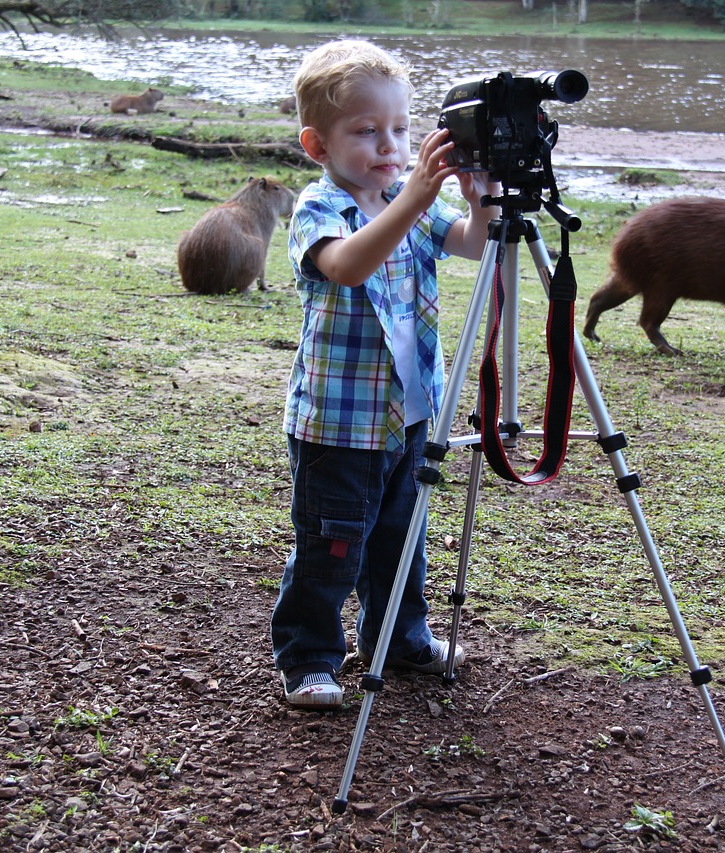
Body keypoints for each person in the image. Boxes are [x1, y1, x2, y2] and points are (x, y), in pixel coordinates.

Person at [271, 39, 499, 709]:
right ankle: (310, 656)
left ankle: (398, 636)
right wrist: (416, 196)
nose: (388, 145)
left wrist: (478, 195)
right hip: (339, 423)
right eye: (365, 131)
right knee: (331, 547)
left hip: (411, 414)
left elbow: (475, 243)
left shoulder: (413, 199)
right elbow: (348, 265)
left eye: (400, 129)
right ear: (318, 145)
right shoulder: (322, 209)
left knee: (402, 538)